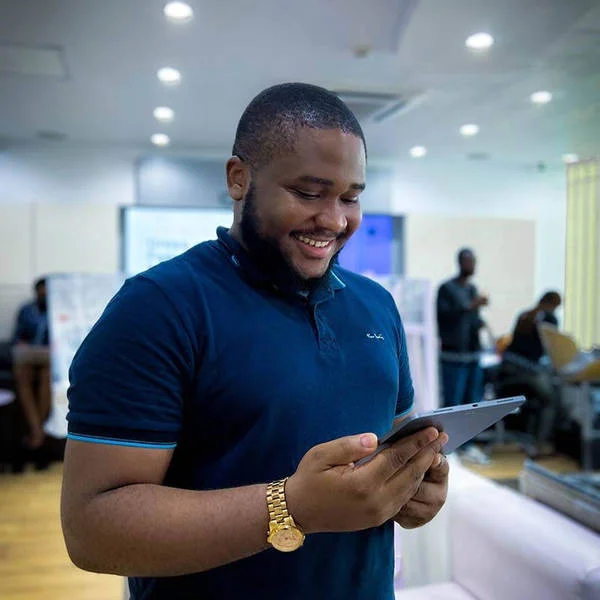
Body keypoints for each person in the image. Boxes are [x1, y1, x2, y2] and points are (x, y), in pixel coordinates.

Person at [61, 83, 449, 600]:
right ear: (239, 178)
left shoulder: (376, 305)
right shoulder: (158, 307)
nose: (335, 220)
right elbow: (91, 529)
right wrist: (291, 507)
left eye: (351, 197)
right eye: (308, 193)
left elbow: (392, 449)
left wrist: (413, 487)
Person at [498, 291, 562, 456]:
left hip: (507, 372)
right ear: (554, 305)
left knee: (536, 397)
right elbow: (550, 349)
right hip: (525, 371)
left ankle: (528, 439)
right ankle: (539, 445)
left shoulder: (524, 315)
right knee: (550, 400)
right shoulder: (549, 319)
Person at [436, 249, 488, 408]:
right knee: (453, 404)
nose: (472, 265)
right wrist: (471, 305)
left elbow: (472, 318)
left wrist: (479, 322)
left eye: (473, 262)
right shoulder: (447, 288)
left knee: (474, 404)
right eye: (468, 261)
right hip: (453, 357)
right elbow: (444, 315)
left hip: (472, 355)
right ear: (460, 263)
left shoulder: (472, 289)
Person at [12, 277, 51, 452]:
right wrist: (22, 343)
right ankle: (39, 429)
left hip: (49, 357)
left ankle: (36, 430)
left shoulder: (58, 310)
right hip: (29, 355)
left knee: (47, 376)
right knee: (22, 374)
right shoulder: (26, 310)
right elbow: (17, 336)